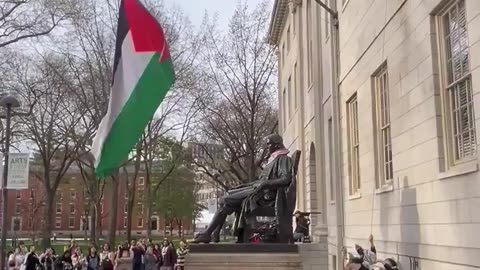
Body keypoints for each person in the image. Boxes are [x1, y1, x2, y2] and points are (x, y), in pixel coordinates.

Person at [192, 134, 293, 243]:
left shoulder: (284, 159)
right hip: (258, 190)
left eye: (269, 145)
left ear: (277, 145)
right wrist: (244, 185)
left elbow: (286, 179)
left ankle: (209, 233)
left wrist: (265, 184)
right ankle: (214, 234)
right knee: (228, 196)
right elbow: (260, 181)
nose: (267, 147)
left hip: (265, 196)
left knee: (225, 200)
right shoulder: (274, 158)